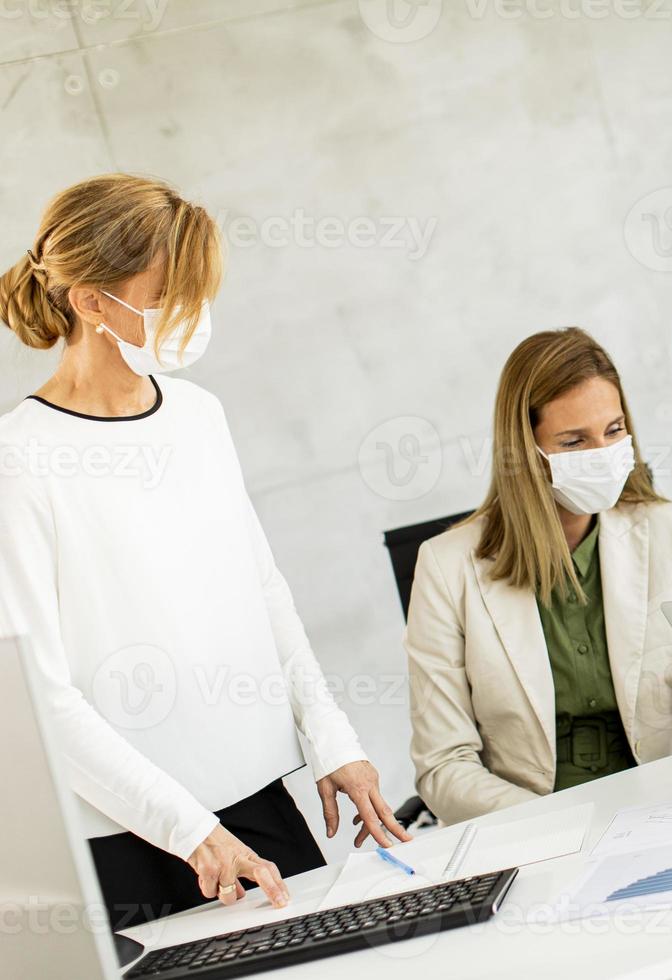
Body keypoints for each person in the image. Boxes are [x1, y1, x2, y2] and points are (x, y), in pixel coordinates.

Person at [0, 175, 409, 930]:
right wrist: (188, 830)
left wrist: (332, 738)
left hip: (255, 802)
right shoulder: (20, 459)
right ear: (91, 301)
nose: (193, 315)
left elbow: (262, 589)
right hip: (128, 837)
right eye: (172, 294)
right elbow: (37, 696)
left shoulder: (197, 415)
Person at [403, 327, 672, 980]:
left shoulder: (664, 528)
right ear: (527, 450)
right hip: (537, 833)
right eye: (573, 442)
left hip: (664, 809)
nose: (602, 454)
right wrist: (562, 827)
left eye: (613, 430)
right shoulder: (448, 566)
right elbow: (443, 767)